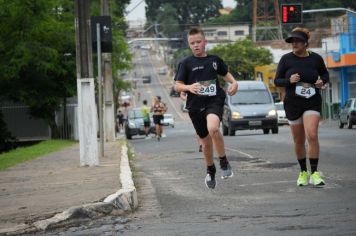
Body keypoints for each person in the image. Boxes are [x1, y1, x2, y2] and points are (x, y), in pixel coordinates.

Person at [174, 27, 238, 189]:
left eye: (198, 42)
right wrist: (189, 88)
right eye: (192, 43)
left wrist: (234, 83)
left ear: (205, 42)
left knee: (213, 128)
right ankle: (210, 170)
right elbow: (177, 86)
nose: (196, 45)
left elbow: (226, 74)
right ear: (189, 45)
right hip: (195, 106)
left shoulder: (214, 60)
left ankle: (224, 161)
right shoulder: (186, 63)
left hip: (213, 101)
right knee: (205, 142)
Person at [274, 27, 329, 187]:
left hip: (312, 100)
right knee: (298, 140)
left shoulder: (316, 58)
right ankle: (303, 172)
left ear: (305, 43)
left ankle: (315, 173)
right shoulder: (286, 59)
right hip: (292, 103)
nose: (294, 43)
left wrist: (322, 81)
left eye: (297, 41)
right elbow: (277, 81)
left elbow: (324, 75)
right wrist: (288, 80)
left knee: (312, 135)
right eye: (292, 41)